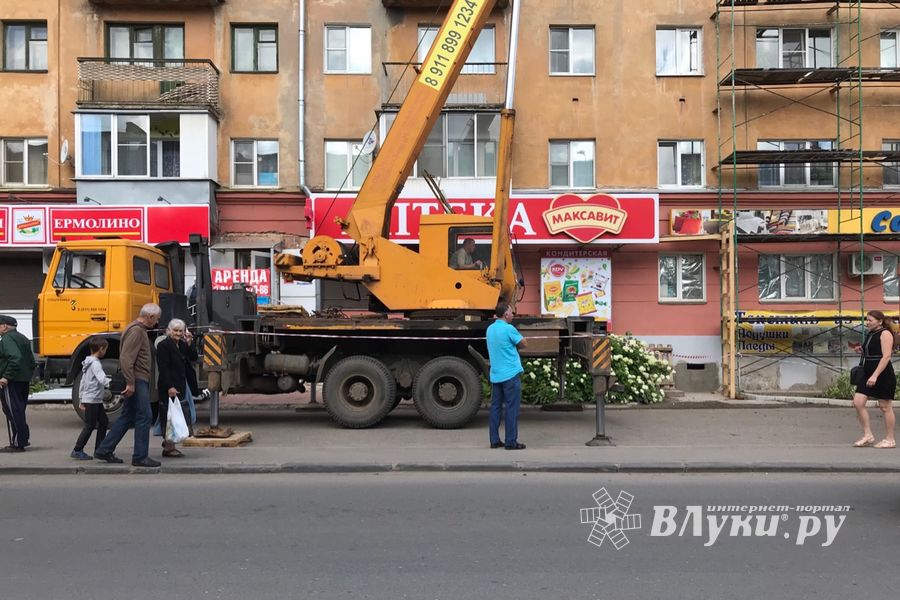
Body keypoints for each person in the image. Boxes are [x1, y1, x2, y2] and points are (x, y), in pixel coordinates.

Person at [94, 303, 162, 467]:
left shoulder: (134, 329)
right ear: (150, 317)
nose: (157, 323)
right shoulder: (137, 331)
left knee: (127, 416)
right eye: (157, 319)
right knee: (144, 416)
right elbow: (126, 358)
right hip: (137, 379)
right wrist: (131, 383)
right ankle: (140, 456)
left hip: (136, 379)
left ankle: (104, 449)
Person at [851, 309, 897, 449]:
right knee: (858, 402)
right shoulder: (871, 334)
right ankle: (868, 434)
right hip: (868, 371)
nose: (867, 323)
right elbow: (873, 350)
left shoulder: (885, 334)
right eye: (867, 320)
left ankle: (890, 439)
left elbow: (886, 356)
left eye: (870, 320)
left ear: (880, 321)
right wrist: (861, 350)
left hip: (882, 373)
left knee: (885, 406)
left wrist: (875, 375)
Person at [486, 301, 527, 450]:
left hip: (496, 375)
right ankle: (511, 441)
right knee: (511, 408)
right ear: (505, 314)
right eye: (511, 312)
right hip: (510, 374)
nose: (513, 314)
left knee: (495, 407)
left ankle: (494, 440)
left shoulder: (490, 329)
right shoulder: (509, 329)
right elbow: (524, 344)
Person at [156, 318, 199, 458]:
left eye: (181, 331)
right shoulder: (164, 345)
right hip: (169, 385)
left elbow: (193, 357)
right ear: (169, 331)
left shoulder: (182, 344)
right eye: (175, 330)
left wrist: (190, 342)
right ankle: (169, 448)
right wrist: (170, 386)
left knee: (178, 415)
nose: (178, 333)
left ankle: (169, 443)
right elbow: (164, 368)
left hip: (181, 384)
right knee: (170, 417)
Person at [0, 314, 36, 453]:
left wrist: (6, 376)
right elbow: (31, 362)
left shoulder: (7, 339)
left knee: (12, 410)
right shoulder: (22, 337)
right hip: (23, 379)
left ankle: (18, 442)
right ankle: (23, 438)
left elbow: (15, 357)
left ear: (4, 326)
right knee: (19, 410)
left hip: (12, 381)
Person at [71, 337, 111, 460]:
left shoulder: (87, 362)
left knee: (103, 422)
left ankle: (99, 448)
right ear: (101, 349)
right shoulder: (95, 364)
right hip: (93, 399)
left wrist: (81, 398)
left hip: (93, 399)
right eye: (105, 349)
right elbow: (102, 379)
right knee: (90, 425)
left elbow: (83, 382)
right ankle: (78, 449)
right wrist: (114, 384)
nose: (105, 351)